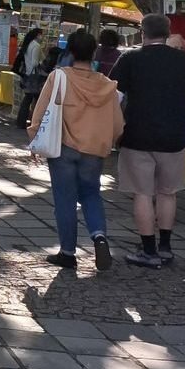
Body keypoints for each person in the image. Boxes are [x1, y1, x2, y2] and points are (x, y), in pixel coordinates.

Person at [110, 13, 185, 268]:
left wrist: (115, 129)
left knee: (142, 193)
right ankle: (165, 247)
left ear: (143, 32)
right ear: (167, 33)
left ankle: (148, 250)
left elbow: (114, 97)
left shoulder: (130, 59)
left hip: (137, 136)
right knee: (168, 193)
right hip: (174, 137)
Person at [27, 30, 124, 271]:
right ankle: (99, 237)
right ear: (94, 52)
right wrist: (107, 141)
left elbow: (40, 110)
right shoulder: (106, 85)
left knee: (65, 199)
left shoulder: (59, 77)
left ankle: (68, 252)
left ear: (69, 50)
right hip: (93, 149)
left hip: (63, 146)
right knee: (91, 194)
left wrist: (34, 137)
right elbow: (117, 124)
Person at [13, 28, 45, 129]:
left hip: (27, 74)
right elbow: (35, 63)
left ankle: (21, 121)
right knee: (36, 99)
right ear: (37, 35)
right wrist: (42, 63)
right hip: (35, 76)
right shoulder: (36, 46)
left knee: (28, 99)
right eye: (41, 34)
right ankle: (34, 121)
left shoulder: (28, 45)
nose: (42, 37)